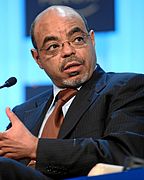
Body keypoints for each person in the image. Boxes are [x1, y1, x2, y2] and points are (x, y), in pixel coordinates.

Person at [0, 5, 144, 180]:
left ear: (92, 40)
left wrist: (36, 148)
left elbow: (125, 153)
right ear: (38, 58)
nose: (68, 51)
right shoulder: (23, 114)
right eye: (53, 46)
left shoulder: (128, 88)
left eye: (77, 39)